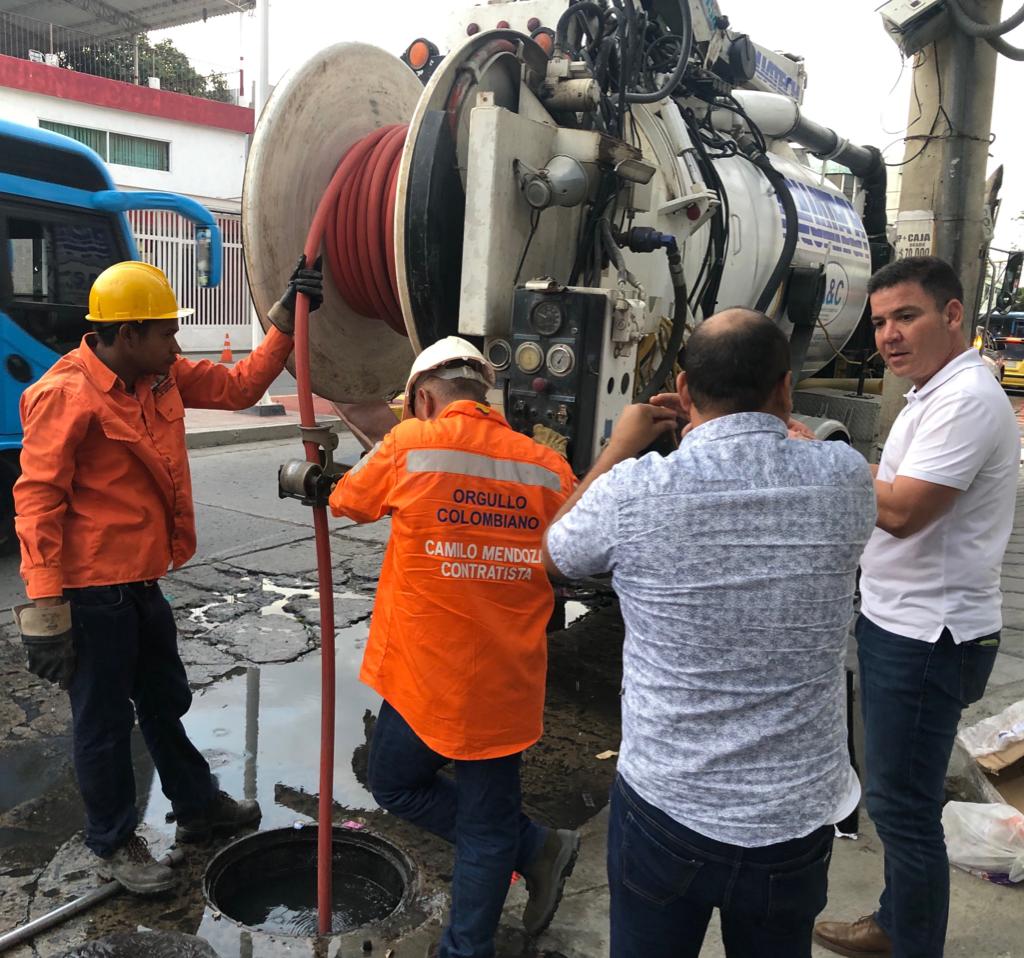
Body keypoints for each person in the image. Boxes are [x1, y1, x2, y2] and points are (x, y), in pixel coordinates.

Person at [543, 309, 877, 958]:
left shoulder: (637, 489)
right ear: (785, 387)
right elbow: (829, 473)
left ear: (684, 390)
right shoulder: (842, 479)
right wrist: (792, 437)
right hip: (793, 819)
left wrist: (618, 445)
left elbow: (557, 553)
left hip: (666, 811)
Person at [13, 257, 323, 894]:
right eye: (167, 333)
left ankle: (198, 807)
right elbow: (38, 500)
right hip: (92, 595)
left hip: (142, 585)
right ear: (127, 335)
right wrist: (46, 610)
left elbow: (238, 386)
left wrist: (286, 321)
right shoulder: (64, 395)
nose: (178, 346)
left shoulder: (162, 377)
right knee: (101, 724)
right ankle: (114, 841)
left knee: (163, 703)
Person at [328, 336, 580, 958]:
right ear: (483, 392)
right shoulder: (546, 467)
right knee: (471, 817)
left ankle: (471, 939)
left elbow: (346, 499)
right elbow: (578, 545)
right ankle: (530, 847)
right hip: (503, 679)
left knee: (407, 790)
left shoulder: (410, 443)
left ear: (422, 396)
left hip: (421, 675)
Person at [814, 257, 1019, 958]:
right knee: (901, 798)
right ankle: (895, 923)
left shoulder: (965, 398)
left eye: (907, 316)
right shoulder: (933, 393)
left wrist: (825, 459)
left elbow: (902, 511)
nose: (889, 336)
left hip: (930, 635)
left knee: (904, 809)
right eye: (879, 323)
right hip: (902, 620)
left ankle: (911, 943)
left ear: (953, 314)